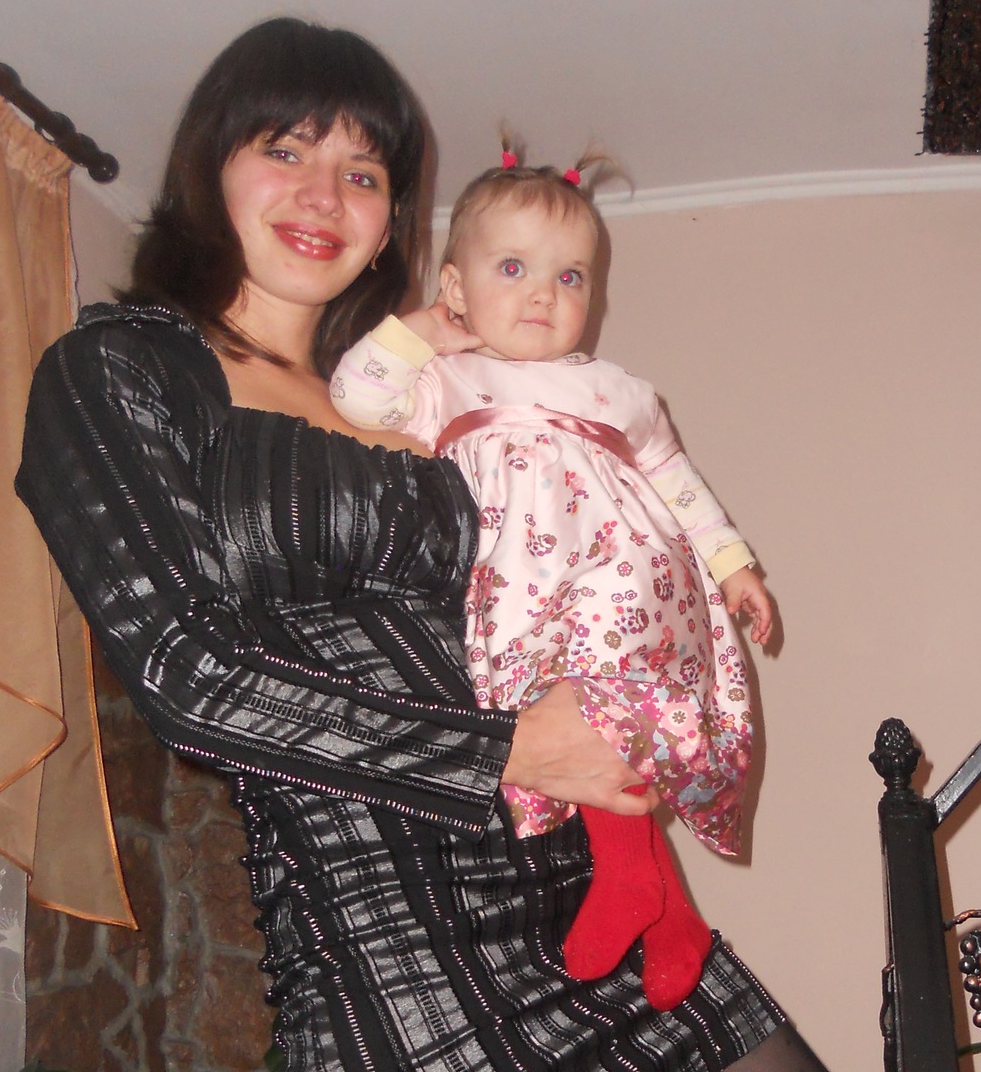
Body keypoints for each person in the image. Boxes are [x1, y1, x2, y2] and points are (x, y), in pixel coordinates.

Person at [16, 17, 892, 1072]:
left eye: (365, 168)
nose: (323, 188)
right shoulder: (120, 369)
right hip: (384, 965)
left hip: (559, 892)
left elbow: (559, 554)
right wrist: (504, 751)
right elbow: (190, 676)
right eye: (286, 144)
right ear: (209, 159)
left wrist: (648, 660)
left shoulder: (414, 388)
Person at [328, 143, 771, 1014]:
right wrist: (424, 330)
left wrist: (733, 564)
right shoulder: (445, 379)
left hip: (623, 571)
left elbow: (678, 482)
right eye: (513, 268)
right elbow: (356, 396)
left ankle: (632, 884)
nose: (543, 294)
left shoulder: (619, 390)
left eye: (570, 278)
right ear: (455, 288)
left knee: (598, 698)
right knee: (571, 736)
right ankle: (666, 910)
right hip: (515, 591)